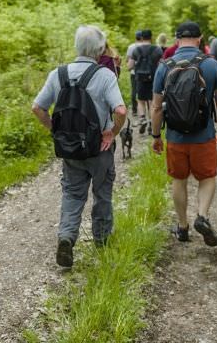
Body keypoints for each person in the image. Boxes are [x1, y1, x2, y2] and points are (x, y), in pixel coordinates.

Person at [32, 25, 126, 268]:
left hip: (70, 149)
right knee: (102, 193)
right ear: (99, 49)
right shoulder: (105, 75)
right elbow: (121, 110)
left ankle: (66, 237)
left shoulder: (58, 74)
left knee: (72, 194)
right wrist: (112, 133)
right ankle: (102, 241)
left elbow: (37, 108)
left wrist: (54, 129)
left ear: (77, 46)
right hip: (99, 149)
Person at [151, 21, 217, 246]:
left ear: (177, 39)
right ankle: (202, 216)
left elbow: (156, 107)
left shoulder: (164, 65)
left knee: (179, 179)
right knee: (207, 178)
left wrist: (156, 136)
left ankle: (183, 227)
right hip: (203, 136)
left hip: (175, 137)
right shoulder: (212, 65)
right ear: (199, 38)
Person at [128, 29, 163, 135]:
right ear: (151, 37)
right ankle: (152, 122)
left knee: (141, 101)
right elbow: (162, 64)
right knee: (152, 102)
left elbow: (130, 66)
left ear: (141, 38)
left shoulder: (136, 50)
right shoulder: (157, 49)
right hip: (154, 79)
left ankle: (142, 118)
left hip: (140, 79)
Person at [126, 30, 142, 118]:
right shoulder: (146, 46)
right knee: (143, 91)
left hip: (133, 72)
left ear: (135, 37)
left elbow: (127, 59)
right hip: (145, 73)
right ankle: (144, 111)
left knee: (134, 90)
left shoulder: (131, 47)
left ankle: (134, 111)